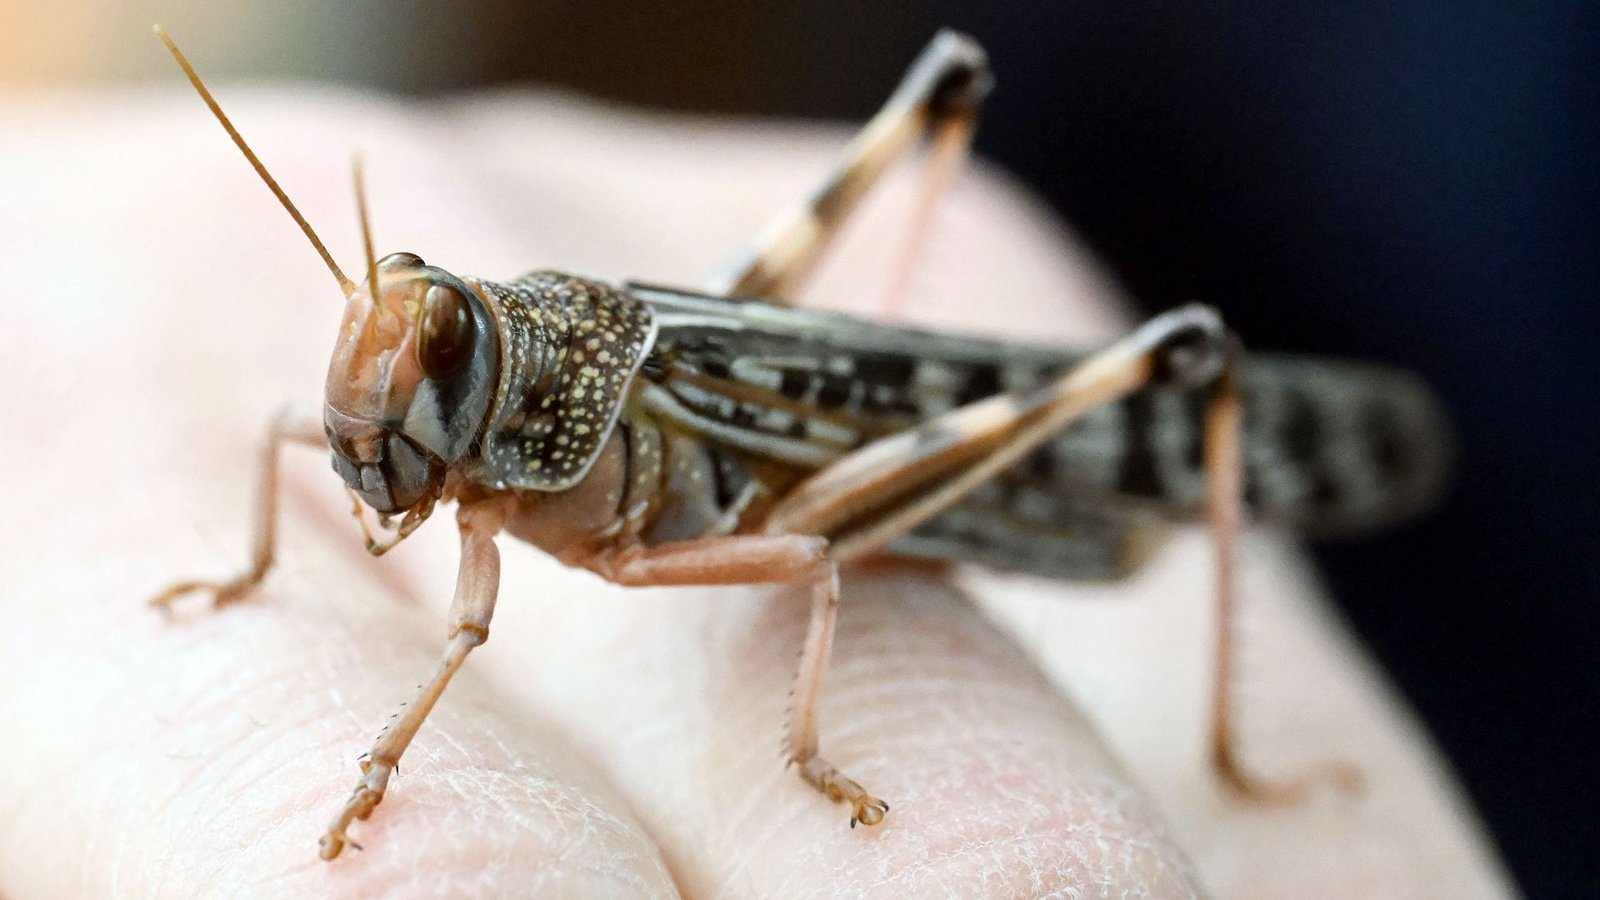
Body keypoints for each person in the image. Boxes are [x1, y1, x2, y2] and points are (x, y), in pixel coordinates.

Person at [0, 87, 1512, 897]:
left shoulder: (581, 405)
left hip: (955, 468)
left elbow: (806, 565)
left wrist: (813, 756)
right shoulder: (480, 419)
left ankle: (1240, 761)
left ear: (497, 378)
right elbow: (309, 442)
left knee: (1162, 365)